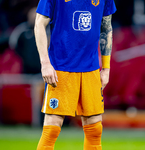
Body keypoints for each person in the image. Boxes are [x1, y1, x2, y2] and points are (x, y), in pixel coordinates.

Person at [34, 0, 116, 150]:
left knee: (95, 130)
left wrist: (106, 68)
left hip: (91, 69)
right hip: (61, 68)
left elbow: (106, 27)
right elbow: (39, 23)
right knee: (52, 128)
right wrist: (45, 63)